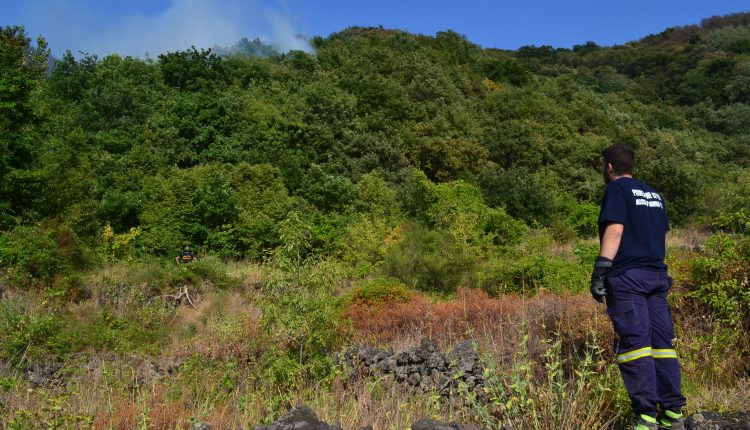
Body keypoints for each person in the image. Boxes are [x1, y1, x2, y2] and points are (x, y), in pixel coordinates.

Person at [590, 145, 686, 430]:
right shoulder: (654, 195)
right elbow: (662, 236)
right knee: (662, 346)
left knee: (635, 346)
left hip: (628, 278)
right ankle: (672, 414)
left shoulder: (616, 191)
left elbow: (615, 228)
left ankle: (646, 417)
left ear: (609, 167)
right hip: (657, 276)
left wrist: (601, 268)